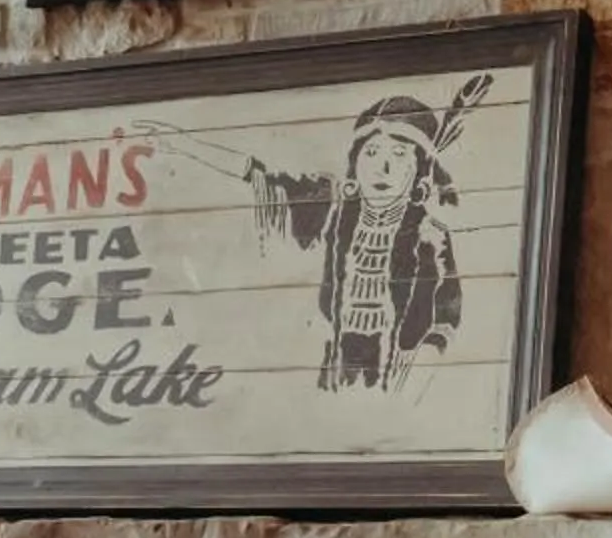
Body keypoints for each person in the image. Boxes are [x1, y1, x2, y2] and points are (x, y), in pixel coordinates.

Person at [143, 76, 484, 391]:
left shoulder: (430, 234)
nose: (382, 167)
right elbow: (255, 171)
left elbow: (447, 315)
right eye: (371, 152)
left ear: (419, 171)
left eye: (399, 155)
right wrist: (185, 145)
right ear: (355, 161)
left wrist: (424, 365)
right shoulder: (333, 208)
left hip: (399, 375)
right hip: (332, 364)